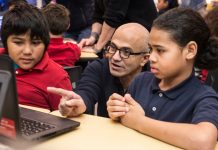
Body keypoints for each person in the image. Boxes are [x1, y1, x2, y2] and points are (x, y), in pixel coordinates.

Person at [107, 8, 218, 149]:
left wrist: (140, 122)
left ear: (190, 50)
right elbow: (126, 125)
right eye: (151, 49)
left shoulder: (204, 97)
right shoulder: (140, 81)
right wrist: (117, 110)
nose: (151, 58)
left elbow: (204, 141)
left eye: (160, 50)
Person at [47, 23, 150, 117]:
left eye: (126, 52)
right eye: (113, 47)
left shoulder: (157, 79)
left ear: (144, 59)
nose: (115, 57)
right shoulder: (98, 68)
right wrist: (78, 103)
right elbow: (86, 91)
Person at [0, 3, 72, 111]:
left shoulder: (57, 77)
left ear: (46, 44)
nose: (27, 51)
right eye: (18, 43)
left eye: (35, 43)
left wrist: (68, 111)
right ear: (5, 43)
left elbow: (67, 118)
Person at [78, 0, 157, 54]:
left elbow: (113, 18)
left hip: (141, 33)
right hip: (122, 32)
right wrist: (93, 38)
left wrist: (97, 47)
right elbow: (98, 16)